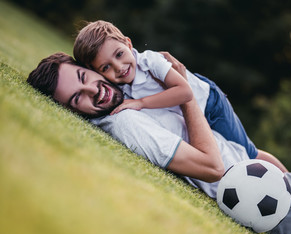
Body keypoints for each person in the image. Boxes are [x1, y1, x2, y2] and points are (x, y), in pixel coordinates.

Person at [27, 52, 291, 234]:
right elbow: (212, 168)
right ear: (71, 109)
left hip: (264, 187)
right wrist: (186, 93)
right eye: (77, 98)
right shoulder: (126, 121)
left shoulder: (127, 97)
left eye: (85, 79)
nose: (94, 92)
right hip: (263, 196)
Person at [72, 20, 271, 165]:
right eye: (106, 67)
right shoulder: (119, 88)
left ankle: (285, 177)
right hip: (192, 119)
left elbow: (184, 92)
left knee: (249, 153)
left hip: (209, 104)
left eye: (119, 54)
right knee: (235, 156)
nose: (119, 67)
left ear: (128, 44)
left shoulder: (150, 62)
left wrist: (141, 102)